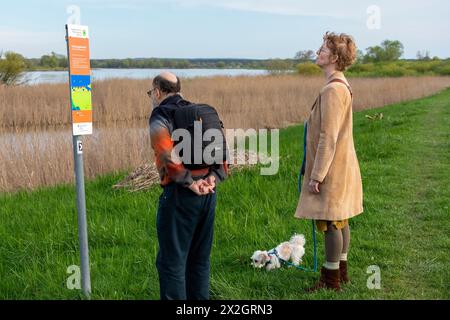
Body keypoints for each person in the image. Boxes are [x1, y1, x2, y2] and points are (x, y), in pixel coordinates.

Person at [148, 72, 228, 300]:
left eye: (151, 93)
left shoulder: (160, 114)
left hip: (180, 196)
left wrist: (189, 183)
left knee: (171, 263)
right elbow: (220, 148)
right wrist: (214, 177)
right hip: (208, 194)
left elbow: (166, 155)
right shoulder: (198, 111)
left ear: (157, 91)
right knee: (199, 261)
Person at [295, 32, 363, 292]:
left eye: (322, 49)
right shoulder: (339, 84)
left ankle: (330, 279)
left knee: (332, 221)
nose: (317, 52)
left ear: (334, 57)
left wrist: (316, 175)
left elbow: (329, 136)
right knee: (340, 218)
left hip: (332, 168)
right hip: (341, 165)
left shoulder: (334, 89)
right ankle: (341, 272)